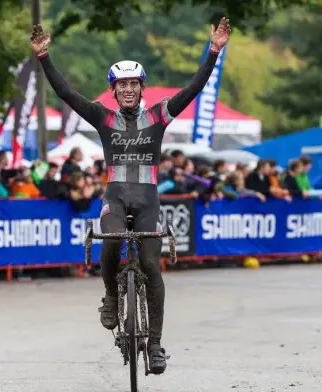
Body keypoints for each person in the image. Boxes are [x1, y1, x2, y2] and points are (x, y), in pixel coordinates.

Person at [30, 17, 231, 374]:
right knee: (109, 243)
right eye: (121, 84)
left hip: (148, 199)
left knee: (152, 265)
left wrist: (214, 51)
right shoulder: (102, 117)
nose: (127, 89)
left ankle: (154, 344)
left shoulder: (160, 113)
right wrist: (44, 56)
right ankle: (110, 297)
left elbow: (194, 87)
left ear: (141, 87)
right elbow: (65, 93)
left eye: (133, 84)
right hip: (116, 196)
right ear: (113, 89)